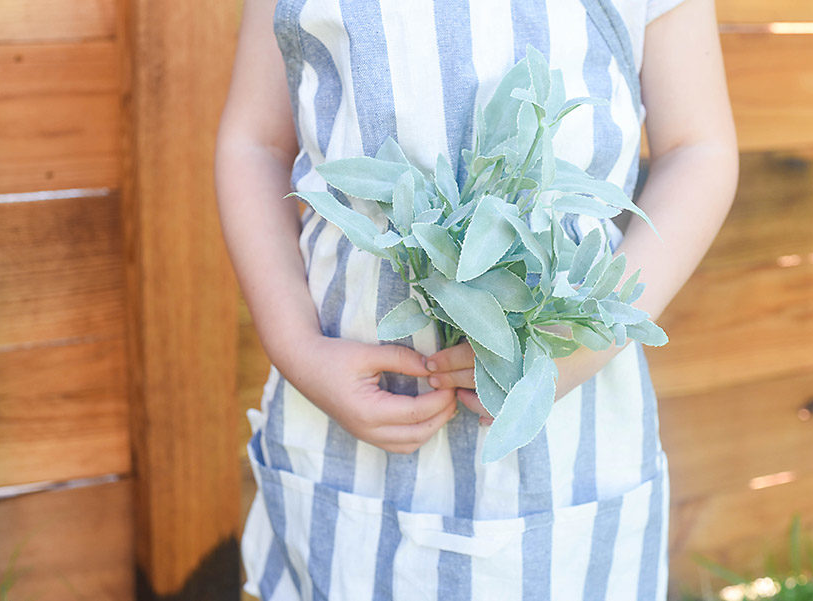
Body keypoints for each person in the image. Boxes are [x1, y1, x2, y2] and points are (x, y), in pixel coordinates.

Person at [214, 0, 738, 599]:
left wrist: (583, 341)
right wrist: (297, 347)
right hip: (341, 428)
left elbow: (699, 149)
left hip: (570, 434)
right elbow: (253, 145)